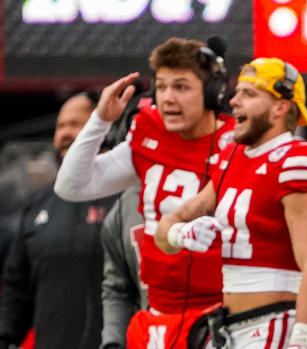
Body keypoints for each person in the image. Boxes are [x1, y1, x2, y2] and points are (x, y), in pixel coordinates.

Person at [54, 37, 236, 348]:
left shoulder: (235, 140)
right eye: (162, 86)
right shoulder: (148, 130)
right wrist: (100, 121)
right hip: (157, 315)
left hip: (224, 314)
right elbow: (71, 186)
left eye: (181, 87)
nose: (167, 97)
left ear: (211, 91)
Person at [154, 57, 307, 349]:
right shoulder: (230, 158)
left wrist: (302, 336)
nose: (234, 101)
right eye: (238, 92)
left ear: (280, 106)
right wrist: (180, 234)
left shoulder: (297, 158)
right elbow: (163, 233)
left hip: (276, 323)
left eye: (249, 94)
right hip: (228, 326)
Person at [0, 93, 117, 349]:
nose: (65, 133)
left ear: (102, 128)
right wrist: (6, 336)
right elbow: (16, 285)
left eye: (76, 124)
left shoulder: (127, 197)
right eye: (60, 126)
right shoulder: (39, 203)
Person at [100, 184, 147, 349]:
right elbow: (118, 290)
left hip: (210, 333)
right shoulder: (125, 207)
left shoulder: (214, 189)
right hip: (156, 335)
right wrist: (113, 341)